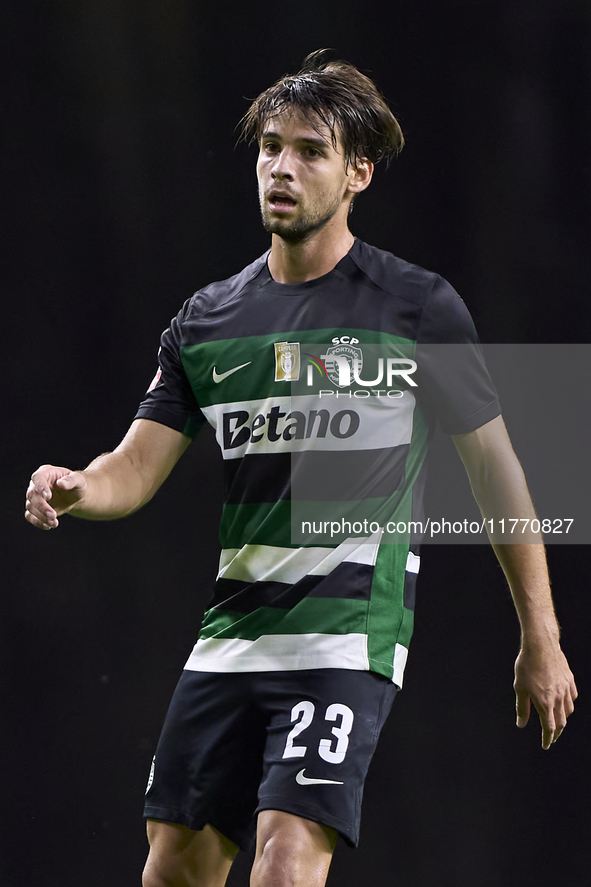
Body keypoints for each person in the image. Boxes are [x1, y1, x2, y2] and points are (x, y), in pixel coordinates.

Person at [25, 51, 577, 887]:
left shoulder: (416, 306)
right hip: (231, 640)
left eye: (310, 151)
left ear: (357, 172)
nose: (281, 167)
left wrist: (541, 632)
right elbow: (132, 469)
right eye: (269, 147)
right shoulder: (208, 320)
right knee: (172, 866)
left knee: (283, 864)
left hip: (346, 639)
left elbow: (495, 469)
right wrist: (78, 486)